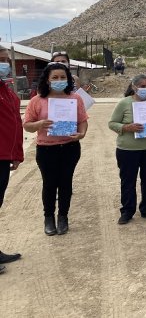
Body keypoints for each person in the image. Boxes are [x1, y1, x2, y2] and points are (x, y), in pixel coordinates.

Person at [23, 62, 88, 235]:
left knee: (66, 183)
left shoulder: (75, 98)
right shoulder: (37, 101)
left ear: (68, 79)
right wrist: (40, 124)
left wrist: (81, 134)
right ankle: (49, 217)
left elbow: (82, 120)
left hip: (70, 147)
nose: (59, 80)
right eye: (55, 78)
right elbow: (27, 125)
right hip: (46, 149)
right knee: (50, 184)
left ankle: (63, 217)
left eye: (62, 77)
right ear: (47, 80)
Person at [108, 74, 146, 224]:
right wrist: (127, 127)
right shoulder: (124, 103)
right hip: (128, 150)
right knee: (128, 181)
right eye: (142, 86)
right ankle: (127, 210)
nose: (145, 89)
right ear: (134, 87)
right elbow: (112, 123)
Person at [0, 47, 24, 272]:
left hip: (4, 156)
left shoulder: (7, 90)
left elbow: (15, 123)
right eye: (1, 60)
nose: (5, 64)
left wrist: (17, 153)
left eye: (6, 60)